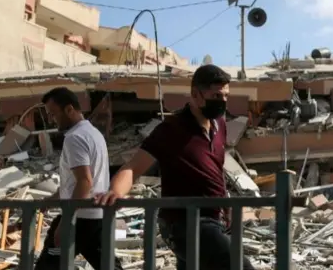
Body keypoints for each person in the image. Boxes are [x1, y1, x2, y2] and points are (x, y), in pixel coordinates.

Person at [94, 64, 255, 270]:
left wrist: (226, 204)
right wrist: (115, 192)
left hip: (212, 221)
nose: (222, 102)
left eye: (225, 96)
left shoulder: (220, 126)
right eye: (216, 96)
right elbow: (133, 167)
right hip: (184, 223)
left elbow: (215, 169)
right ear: (195, 94)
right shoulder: (171, 129)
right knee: (240, 266)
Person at [34, 87, 123, 270]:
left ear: (69, 110)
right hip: (96, 215)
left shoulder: (74, 138)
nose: (51, 119)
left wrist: (67, 220)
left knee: (48, 267)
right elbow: (75, 183)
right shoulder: (94, 134)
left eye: (53, 114)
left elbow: (85, 181)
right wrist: (52, 200)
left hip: (79, 219)